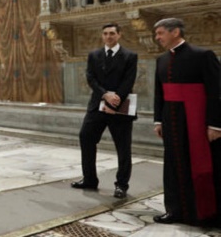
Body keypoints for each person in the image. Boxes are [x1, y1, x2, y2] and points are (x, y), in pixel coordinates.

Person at [152, 18, 221, 226]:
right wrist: (157, 120)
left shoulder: (203, 55)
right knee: (173, 165)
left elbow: (216, 92)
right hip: (171, 121)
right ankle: (175, 210)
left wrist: (215, 124)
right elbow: (159, 93)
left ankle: (208, 214)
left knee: (203, 164)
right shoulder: (161, 59)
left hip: (197, 120)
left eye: (161, 33)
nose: (157, 38)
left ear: (175, 32)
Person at [71, 23, 137, 199]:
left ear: (119, 35)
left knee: (123, 147)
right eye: (106, 34)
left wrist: (114, 101)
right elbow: (90, 78)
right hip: (97, 104)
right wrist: (105, 95)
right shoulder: (94, 55)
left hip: (120, 106)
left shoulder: (130, 56)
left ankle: (121, 185)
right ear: (102, 36)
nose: (109, 36)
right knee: (85, 137)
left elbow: (128, 81)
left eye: (112, 33)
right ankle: (90, 179)